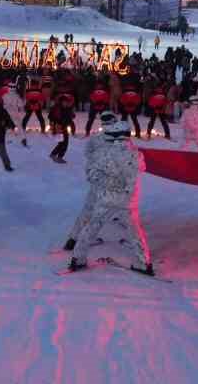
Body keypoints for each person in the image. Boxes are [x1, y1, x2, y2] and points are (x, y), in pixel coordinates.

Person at [63, 114, 153, 276]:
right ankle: (144, 264)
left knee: (92, 227)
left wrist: (109, 183)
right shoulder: (137, 155)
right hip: (128, 201)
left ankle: (77, 259)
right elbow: (142, 169)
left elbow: (91, 174)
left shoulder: (104, 154)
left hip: (106, 198)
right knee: (135, 233)